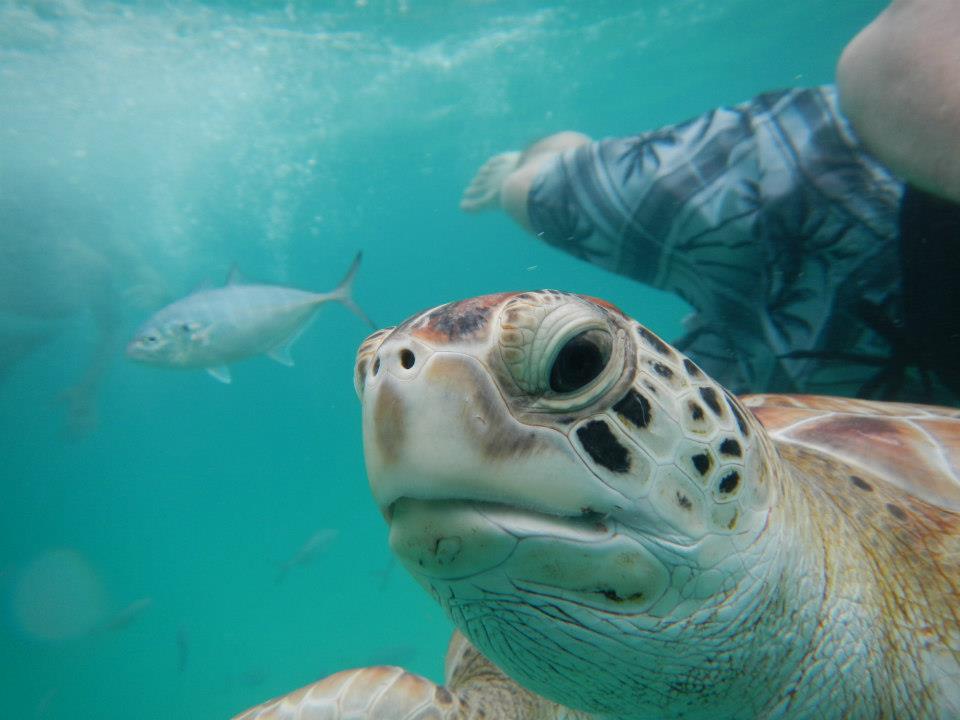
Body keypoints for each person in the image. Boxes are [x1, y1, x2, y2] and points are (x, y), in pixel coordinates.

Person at [460, 3, 960, 404]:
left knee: (735, 399)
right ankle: (541, 160)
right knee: (534, 192)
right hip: (827, 180)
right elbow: (890, 59)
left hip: (873, 359)